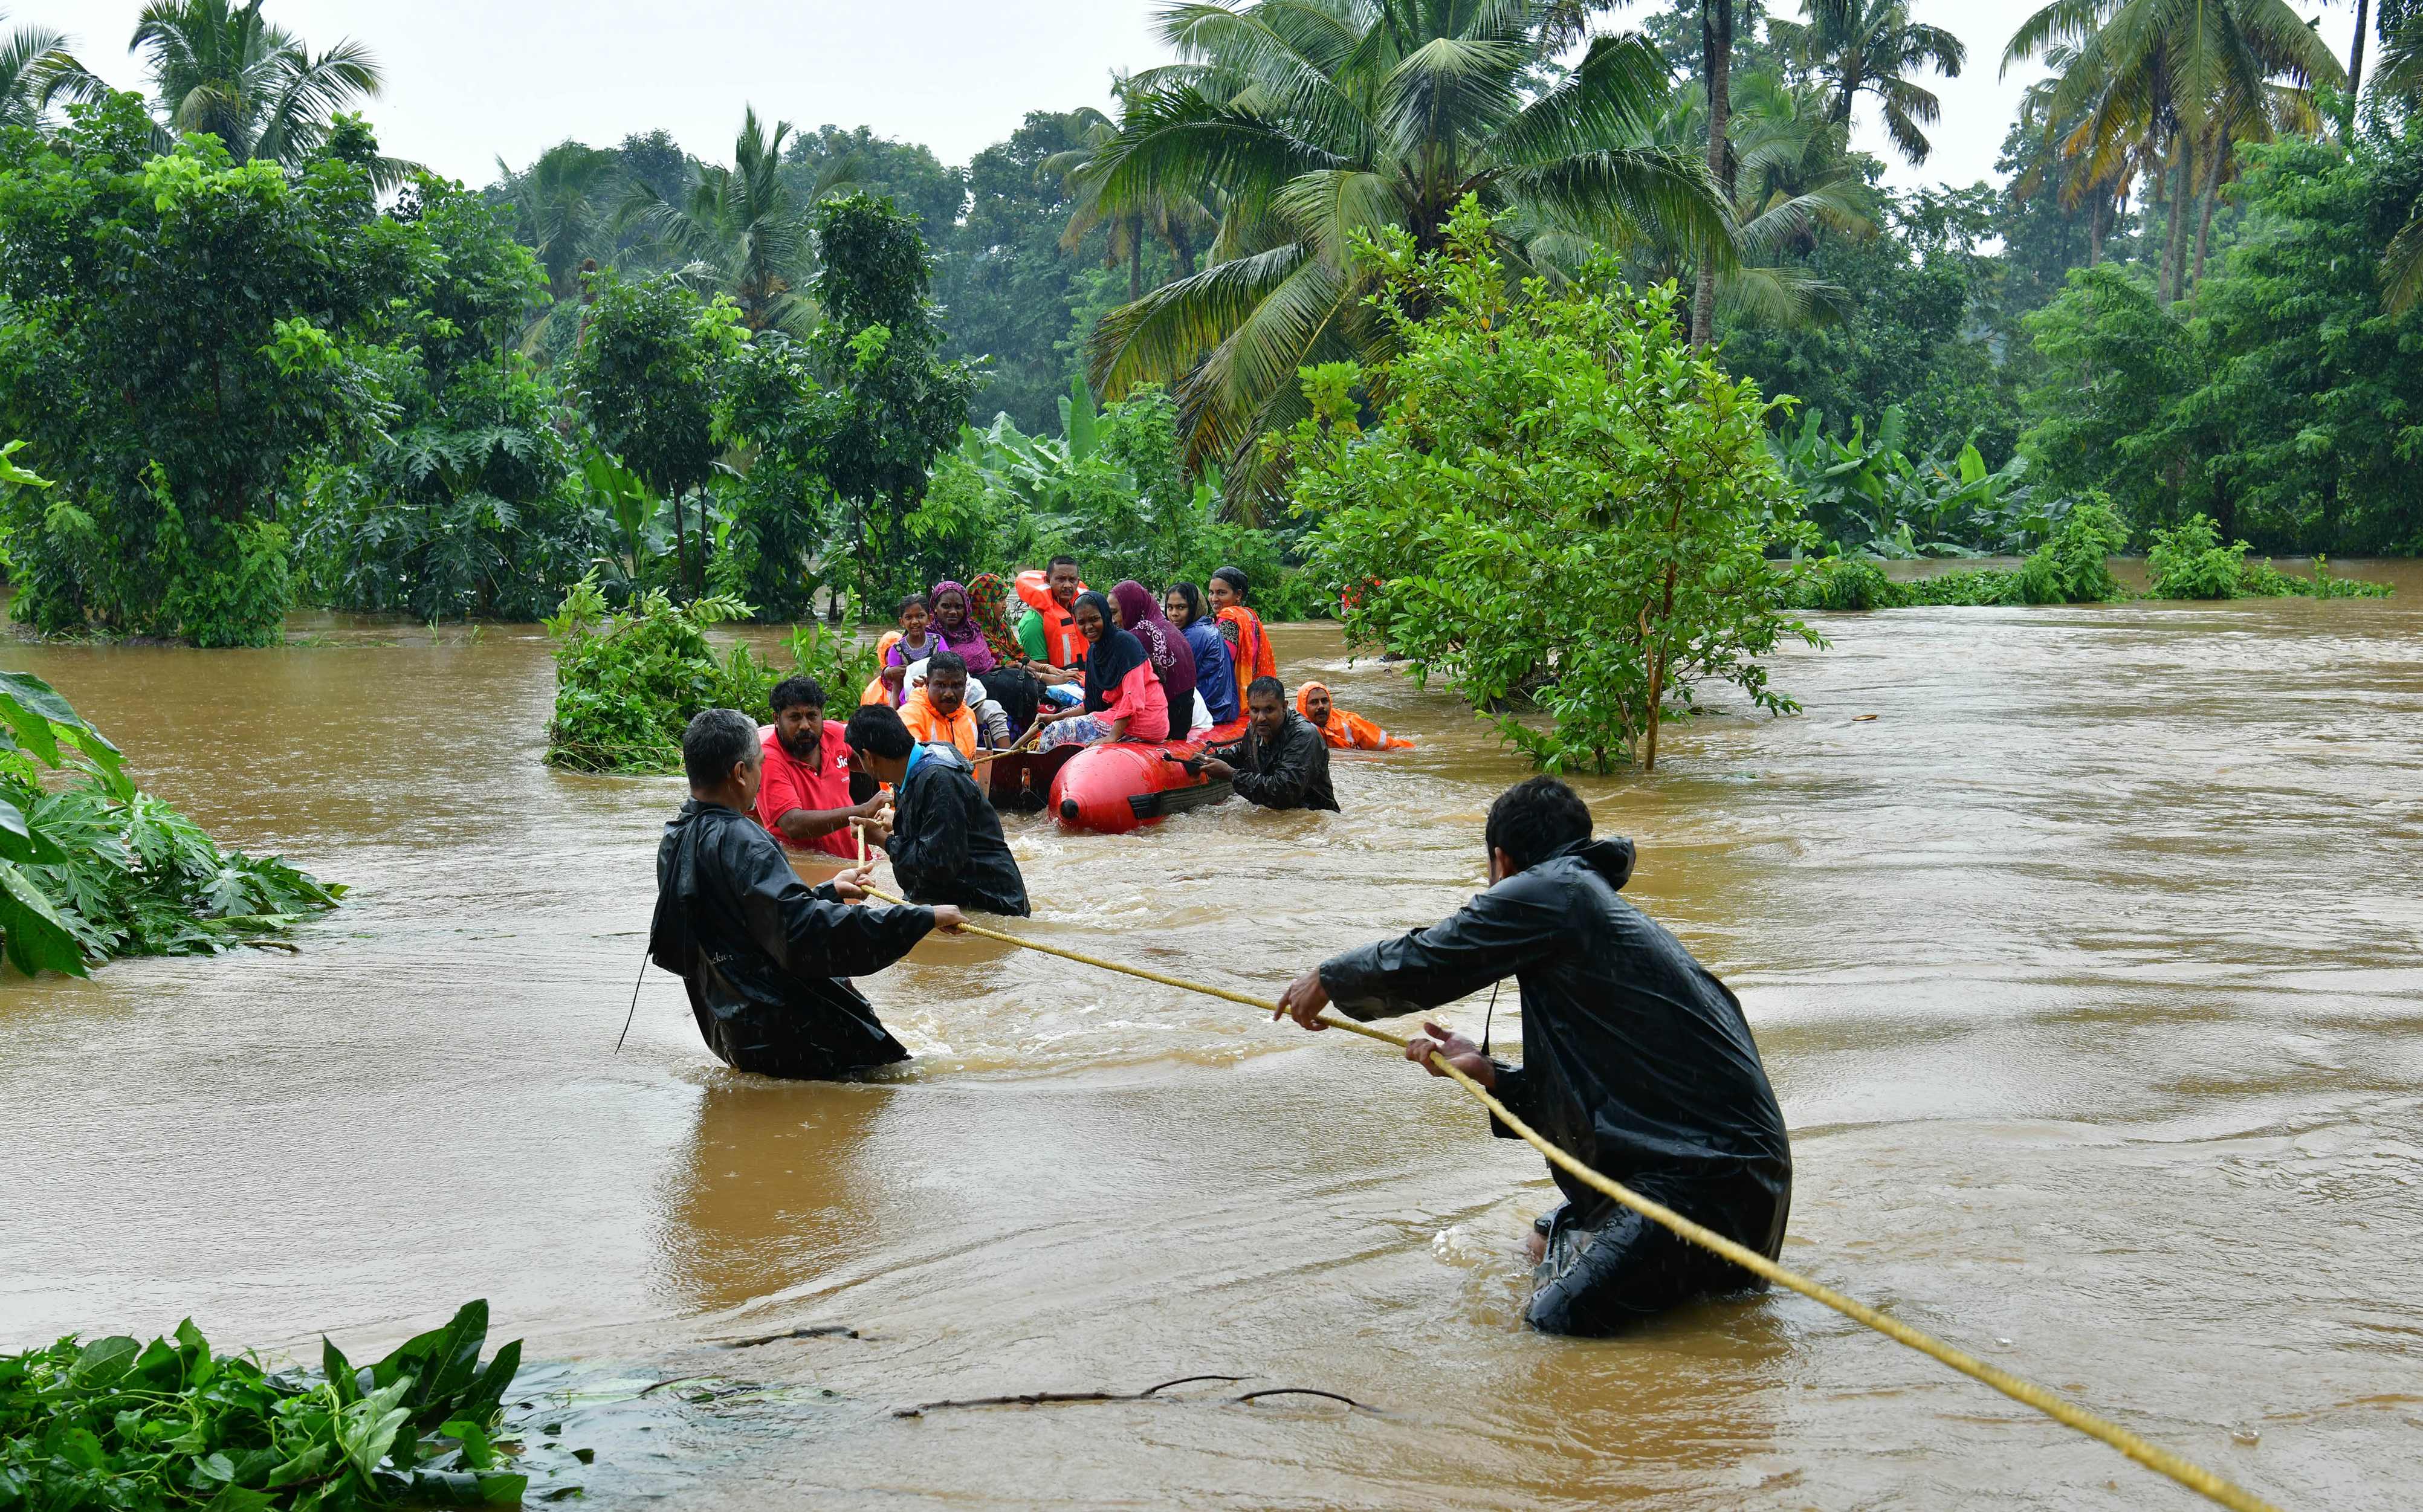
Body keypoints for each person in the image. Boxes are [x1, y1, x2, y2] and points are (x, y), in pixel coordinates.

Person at [1273, 775, 1792, 1337]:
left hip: (1705, 1185)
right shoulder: (1582, 906)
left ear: (1501, 860)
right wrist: (1491, 1074)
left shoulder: (1554, 890)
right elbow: (1605, 1099)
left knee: (1555, 1321)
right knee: (1542, 1240)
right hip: (1733, 1182)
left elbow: (1434, 956)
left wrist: (1329, 978)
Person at [650, 708, 965, 1079]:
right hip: (794, 1032)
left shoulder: (675, 837)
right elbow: (803, 933)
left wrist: (828, 890)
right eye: (759, 764)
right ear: (739, 773)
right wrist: (921, 917)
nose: (761, 773)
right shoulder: (746, 841)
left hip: (733, 1030)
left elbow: (745, 924)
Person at [846, 703, 1030, 917]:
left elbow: (938, 864)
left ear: (869, 757)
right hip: (960, 902)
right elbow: (939, 835)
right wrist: (898, 821)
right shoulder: (914, 768)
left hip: (991, 907)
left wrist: (882, 839)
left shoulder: (939, 780)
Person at [755, 676, 888, 858]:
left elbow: (872, 763)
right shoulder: (769, 760)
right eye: (795, 717)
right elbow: (792, 825)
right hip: (811, 875)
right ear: (777, 719)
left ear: (821, 715)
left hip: (855, 860)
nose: (804, 726)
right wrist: (864, 810)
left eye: (812, 716)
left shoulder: (835, 734)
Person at [1032, 589, 1170, 750]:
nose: (1089, 627)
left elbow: (1133, 697)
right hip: (1117, 717)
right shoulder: (1093, 652)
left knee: (1055, 733)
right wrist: (1054, 717)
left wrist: (1112, 737)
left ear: (1106, 615)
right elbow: (1091, 705)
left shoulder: (1127, 644)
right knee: (1056, 726)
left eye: (1094, 619)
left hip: (1146, 720)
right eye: (1082, 622)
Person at [1195, 675, 1336, 812]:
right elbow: (1241, 754)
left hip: (1314, 820)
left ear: (1284, 707)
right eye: (1255, 710)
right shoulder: (1254, 728)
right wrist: (1208, 759)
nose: (1261, 718)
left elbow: (1284, 793)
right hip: (1280, 819)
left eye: (1269, 710)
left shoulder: (1304, 735)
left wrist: (1231, 775)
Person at [1110, 580, 1200, 734]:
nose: (1112, 620)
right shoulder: (1165, 626)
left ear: (1130, 608)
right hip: (1182, 721)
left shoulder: (1138, 637)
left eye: (1114, 612)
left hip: (1163, 723)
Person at [1165, 582, 1238, 730]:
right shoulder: (1204, 627)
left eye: (1181, 607)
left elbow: (1173, 679)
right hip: (1223, 709)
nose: (1174, 614)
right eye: (1170, 607)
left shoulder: (1196, 634)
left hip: (1212, 712)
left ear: (1193, 608)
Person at [1208, 566, 1278, 715]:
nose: (1214, 599)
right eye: (1211, 592)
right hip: (1254, 697)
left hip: (1232, 701)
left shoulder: (1229, 618)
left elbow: (1221, 662)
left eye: (1221, 593)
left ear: (1238, 595)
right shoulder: (1250, 615)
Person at [898, 651, 985, 758]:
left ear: (965, 683)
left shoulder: (968, 715)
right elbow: (909, 765)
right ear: (927, 683)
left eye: (957, 685)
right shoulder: (909, 716)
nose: (949, 694)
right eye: (941, 685)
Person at [1014, 556, 1088, 671]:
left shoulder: (1081, 612)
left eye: (1072, 580)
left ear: (1078, 582)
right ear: (1048, 581)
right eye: (1061, 579)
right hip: (1055, 684)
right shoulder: (1033, 621)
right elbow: (1040, 672)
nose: (1067, 585)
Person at [1298, 680, 1414, 751]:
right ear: (1303, 707)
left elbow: (1388, 745)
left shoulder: (1349, 722)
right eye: (1314, 702)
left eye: (1325, 701)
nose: (1321, 706)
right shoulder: (1296, 730)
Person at [883, 593, 940, 700]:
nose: (915, 622)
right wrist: (894, 715)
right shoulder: (897, 650)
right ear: (902, 622)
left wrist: (929, 683)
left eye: (920, 616)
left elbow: (949, 670)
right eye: (909, 618)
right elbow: (896, 689)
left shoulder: (938, 642)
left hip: (937, 698)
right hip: (909, 702)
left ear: (930, 619)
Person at [859, 628, 904, 708]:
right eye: (888, 654)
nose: (894, 657)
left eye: (898, 651)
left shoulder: (917, 681)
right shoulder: (873, 691)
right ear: (882, 657)